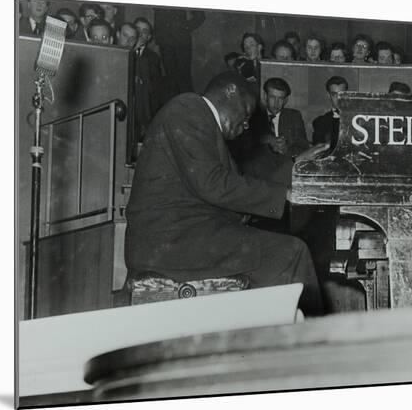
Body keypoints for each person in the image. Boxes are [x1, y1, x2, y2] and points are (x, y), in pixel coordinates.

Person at [124, 71, 324, 316]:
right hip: (170, 242)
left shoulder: (202, 125)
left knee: (283, 250)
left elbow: (230, 187)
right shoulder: (188, 107)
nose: (247, 123)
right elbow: (213, 183)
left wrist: (285, 185)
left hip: (183, 237)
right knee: (292, 252)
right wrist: (284, 195)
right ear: (230, 91)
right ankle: (310, 344)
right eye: (247, 112)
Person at [241, 77, 309, 187]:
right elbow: (242, 146)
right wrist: (267, 141)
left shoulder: (293, 116)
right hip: (257, 177)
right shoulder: (252, 116)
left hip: (286, 174)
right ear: (265, 96)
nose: (276, 103)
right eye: (273, 97)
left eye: (281, 98)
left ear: (286, 100)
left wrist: (286, 149)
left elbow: (303, 147)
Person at [154, 8, 206, 93]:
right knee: (170, 80)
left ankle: (187, 104)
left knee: (184, 79)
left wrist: (185, 26)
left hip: (181, 42)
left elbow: (200, 16)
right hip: (164, 42)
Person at [131, 17, 164, 144]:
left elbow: (154, 89)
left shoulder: (153, 58)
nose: (140, 33)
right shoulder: (124, 49)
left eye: (144, 31)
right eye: (137, 29)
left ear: (149, 36)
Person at [312, 76, 348, 152]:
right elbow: (318, 151)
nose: (338, 98)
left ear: (347, 95)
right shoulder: (320, 122)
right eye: (334, 94)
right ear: (329, 96)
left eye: (341, 94)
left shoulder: (357, 119)